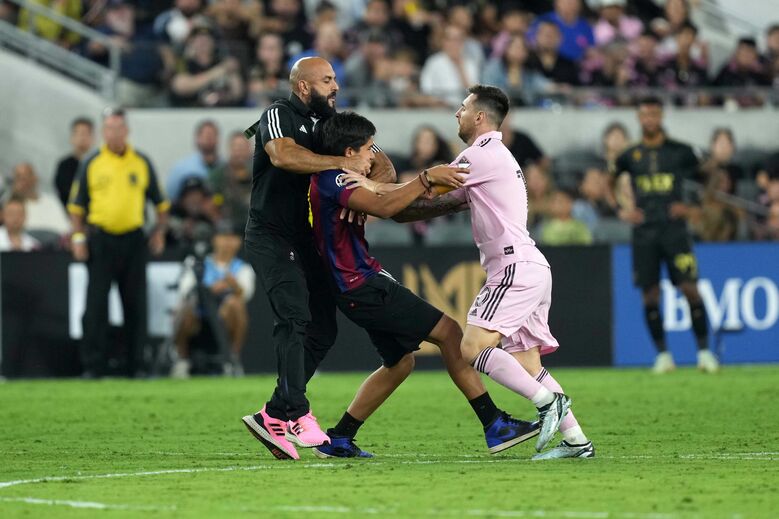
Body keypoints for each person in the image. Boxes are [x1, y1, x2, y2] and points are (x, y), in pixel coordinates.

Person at [306, 112, 539, 458]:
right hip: (360, 283)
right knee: (450, 334)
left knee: (400, 363)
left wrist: (431, 192)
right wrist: (427, 178)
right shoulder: (333, 181)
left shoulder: (339, 179)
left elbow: (388, 195)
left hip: (357, 283)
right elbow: (385, 208)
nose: (373, 157)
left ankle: (340, 438)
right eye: (369, 149)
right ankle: (494, 425)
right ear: (350, 150)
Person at [392, 85, 595, 459]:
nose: (457, 113)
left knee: (470, 347)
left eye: (463, 107)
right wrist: (393, 204)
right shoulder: (496, 157)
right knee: (527, 364)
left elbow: (427, 189)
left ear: (480, 117)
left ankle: (549, 403)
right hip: (530, 265)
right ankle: (577, 441)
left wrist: (373, 189)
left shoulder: (480, 154)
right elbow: (435, 204)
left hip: (512, 267)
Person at [240, 57, 396, 461]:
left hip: (307, 240)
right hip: (271, 235)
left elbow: (383, 166)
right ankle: (295, 413)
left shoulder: (331, 126)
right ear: (304, 87)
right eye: (327, 80)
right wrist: (343, 163)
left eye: (336, 79)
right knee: (294, 316)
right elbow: (283, 155)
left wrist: (364, 188)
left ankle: (274, 413)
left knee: (323, 327)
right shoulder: (279, 113)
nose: (336, 87)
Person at [613, 96, 719, 374]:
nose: (650, 119)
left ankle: (705, 352)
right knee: (650, 295)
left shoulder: (680, 151)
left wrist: (695, 205)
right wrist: (622, 209)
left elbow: (712, 170)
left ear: (661, 117)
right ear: (639, 118)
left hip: (675, 232)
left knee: (690, 289)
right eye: (645, 114)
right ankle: (663, 356)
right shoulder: (630, 155)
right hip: (644, 233)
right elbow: (609, 181)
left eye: (654, 114)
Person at [68, 108, 170, 378]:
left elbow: (161, 203)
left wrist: (158, 232)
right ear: (104, 132)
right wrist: (78, 238)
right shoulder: (92, 163)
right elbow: (77, 208)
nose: (114, 133)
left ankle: (135, 366)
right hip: (101, 240)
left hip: (134, 240)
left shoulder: (140, 162)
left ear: (126, 131)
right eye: (109, 128)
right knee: (95, 306)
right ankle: (93, 366)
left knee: (135, 306)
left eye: (118, 127)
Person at [172, 220, 256, 378]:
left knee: (235, 303)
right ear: (214, 240)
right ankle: (182, 359)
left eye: (232, 238)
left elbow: (246, 294)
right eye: (223, 237)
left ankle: (232, 358)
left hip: (224, 319)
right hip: (198, 317)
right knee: (185, 306)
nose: (227, 242)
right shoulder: (197, 263)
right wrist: (210, 289)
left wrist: (234, 286)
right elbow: (185, 290)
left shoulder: (242, 268)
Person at [166, 120, 222, 203]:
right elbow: (171, 197)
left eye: (213, 135)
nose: (209, 139)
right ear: (197, 138)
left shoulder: (226, 166)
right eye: (206, 135)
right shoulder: (181, 168)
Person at [10, 162, 70, 235]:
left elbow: (66, 228)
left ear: (35, 178)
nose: (24, 181)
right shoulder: (12, 206)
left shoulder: (51, 200)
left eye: (27, 176)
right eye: (19, 178)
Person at [54, 117, 94, 208]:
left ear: (93, 138)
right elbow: (64, 193)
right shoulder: (64, 166)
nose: (82, 138)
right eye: (78, 133)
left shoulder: (99, 164)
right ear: (72, 138)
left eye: (85, 133)